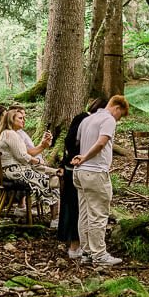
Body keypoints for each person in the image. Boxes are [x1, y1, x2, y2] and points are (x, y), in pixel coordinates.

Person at [71, 95, 131, 266]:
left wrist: (81, 160)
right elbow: (101, 143)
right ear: (117, 108)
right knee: (98, 213)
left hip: (81, 173)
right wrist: (85, 157)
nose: (118, 119)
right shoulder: (108, 119)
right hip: (95, 172)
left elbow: (78, 141)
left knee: (84, 213)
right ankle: (99, 254)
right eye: (120, 115)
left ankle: (86, 252)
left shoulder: (87, 120)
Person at [57, 98, 107, 259]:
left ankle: (78, 244)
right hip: (76, 168)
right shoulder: (84, 119)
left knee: (76, 207)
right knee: (76, 208)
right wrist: (80, 157)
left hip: (74, 167)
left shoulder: (84, 118)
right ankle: (75, 245)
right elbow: (70, 143)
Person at [0, 108, 60, 226]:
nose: (24, 120)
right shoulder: (10, 134)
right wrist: (37, 160)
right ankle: (55, 219)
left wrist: (42, 146)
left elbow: (25, 155)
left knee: (52, 174)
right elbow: (22, 156)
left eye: (24, 118)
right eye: (20, 118)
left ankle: (56, 216)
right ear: (11, 120)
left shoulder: (10, 133)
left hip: (15, 169)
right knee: (51, 181)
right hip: (14, 171)